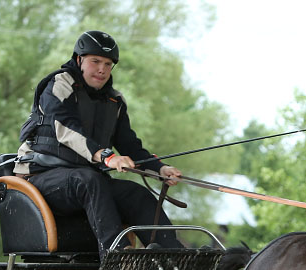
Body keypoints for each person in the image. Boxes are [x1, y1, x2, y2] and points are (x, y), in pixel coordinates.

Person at [14, 30, 184, 257]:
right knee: (89, 180)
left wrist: (160, 168)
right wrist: (107, 157)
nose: (102, 69)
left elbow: (129, 144)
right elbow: (67, 130)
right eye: (95, 61)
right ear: (79, 60)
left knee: (137, 194)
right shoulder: (58, 84)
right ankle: (117, 259)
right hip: (41, 178)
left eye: (108, 63)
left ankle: (175, 258)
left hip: (86, 183)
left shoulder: (115, 100)